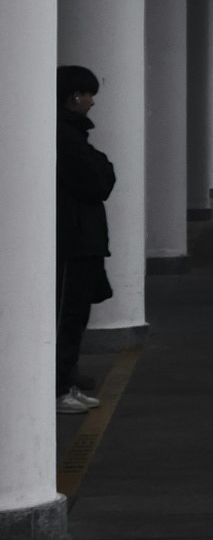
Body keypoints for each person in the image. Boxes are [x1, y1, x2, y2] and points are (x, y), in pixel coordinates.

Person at [56, 64, 116, 412]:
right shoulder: (65, 136)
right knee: (67, 315)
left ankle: (66, 380)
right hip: (71, 240)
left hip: (78, 237)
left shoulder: (72, 134)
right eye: (90, 94)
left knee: (75, 315)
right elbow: (98, 181)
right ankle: (59, 388)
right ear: (75, 96)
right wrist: (104, 166)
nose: (93, 102)